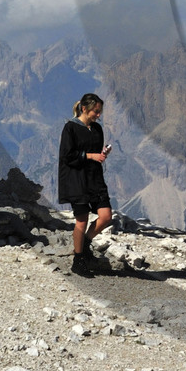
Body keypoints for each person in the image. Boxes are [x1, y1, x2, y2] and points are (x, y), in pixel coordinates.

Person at [58, 93, 114, 277]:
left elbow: (96, 153)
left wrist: (102, 155)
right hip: (77, 180)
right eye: (95, 112)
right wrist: (91, 156)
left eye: (100, 112)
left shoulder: (97, 129)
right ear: (84, 109)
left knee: (106, 216)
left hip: (95, 179)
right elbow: (67, 156)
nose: (98, 115)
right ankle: (78, 259)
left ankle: (86, 243)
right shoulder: (70, 128)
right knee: (81, 219)